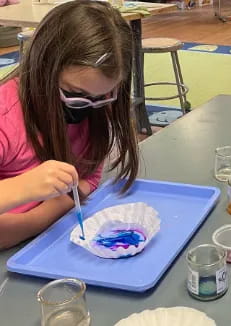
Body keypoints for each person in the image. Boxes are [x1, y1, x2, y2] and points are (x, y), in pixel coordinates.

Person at [0, 0, 139, 249]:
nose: (88, 106)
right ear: (43, 68)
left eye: (101, 97)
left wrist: (39, 217)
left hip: (43, 243)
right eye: (74, 93)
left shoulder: (96, 105)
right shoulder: (5, 116)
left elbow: (90, 179)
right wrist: (23, 189)